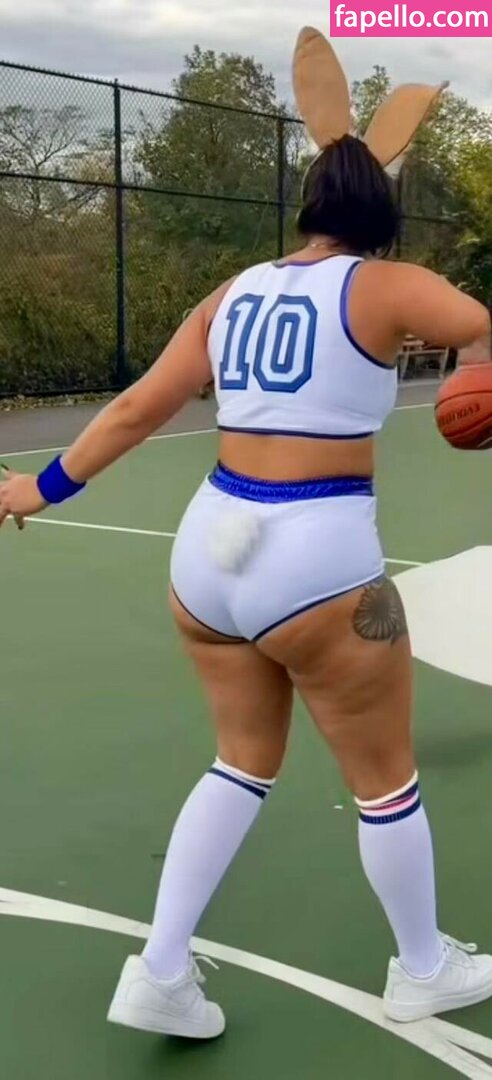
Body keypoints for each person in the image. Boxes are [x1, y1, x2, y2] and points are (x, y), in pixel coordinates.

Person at [1, 27, 492, 1041]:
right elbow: (477, 318)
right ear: (381, 213)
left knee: (239, 762)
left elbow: (135, 409)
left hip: (209, 553)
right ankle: (422, 967)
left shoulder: (232, 294)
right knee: (384, 779)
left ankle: (161, 969)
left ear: (306, 203)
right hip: (318, 558)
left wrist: (35, 490)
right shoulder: (386, 285)